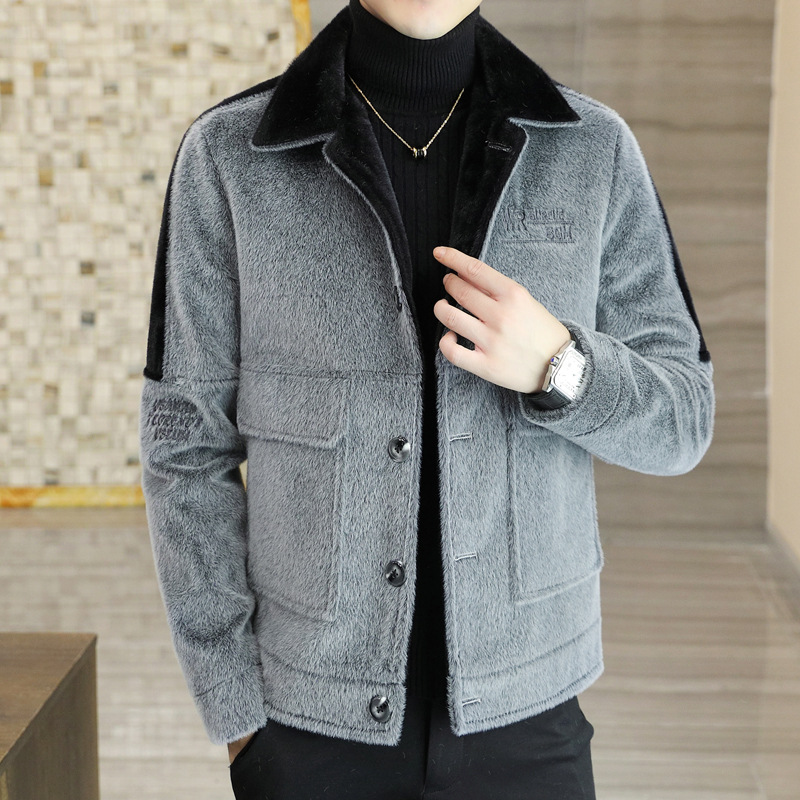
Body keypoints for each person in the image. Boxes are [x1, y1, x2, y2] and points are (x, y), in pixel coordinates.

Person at [138, 0, 715, 797]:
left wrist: (560, 365)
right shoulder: (231, 155)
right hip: (305, 730)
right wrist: (235, 714)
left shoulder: (592, 149)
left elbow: (685, 418)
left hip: (530, 725)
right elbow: (185, 450)